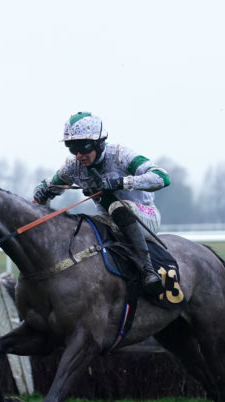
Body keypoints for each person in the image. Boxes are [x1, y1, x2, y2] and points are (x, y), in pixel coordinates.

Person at [33, 112, 170, 295]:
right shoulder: (73, 166)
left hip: (145, 218)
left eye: (84, 146)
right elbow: (47, 186)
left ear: (100, 142)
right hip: (109, 220)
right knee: (79, 225)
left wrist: (122, 182)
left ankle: (148, 270)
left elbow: (162, 177)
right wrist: (41, 192)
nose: (79, 154)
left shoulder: (121, 155)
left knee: (117, 207)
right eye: (73, 148)